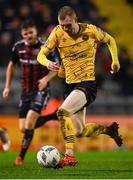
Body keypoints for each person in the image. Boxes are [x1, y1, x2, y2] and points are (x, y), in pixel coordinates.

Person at [37, 6, 122, 168]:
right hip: (70, 86)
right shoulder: (57, 32)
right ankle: (109, 131)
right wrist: (48, 63)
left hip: (87, 84)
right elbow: (41, 54)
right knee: (79, 131)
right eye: (62, 25)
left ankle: (69, 155)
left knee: (62, 112)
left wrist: (115, 61)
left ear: (75, 20)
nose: (65, 29)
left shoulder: (90, 31)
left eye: (68, 25)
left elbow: (110, 39)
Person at [2, 19, 58, 165]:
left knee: (31, 118)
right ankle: (53, 115)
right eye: (25, 33)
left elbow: (57, 67)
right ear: (22, 34)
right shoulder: (18, 47)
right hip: (25, 90)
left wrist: (46, 78)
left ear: (36, 31)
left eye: (31, 32)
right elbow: (11, 66)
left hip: (41, 89)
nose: (28, 35)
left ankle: (20, 157)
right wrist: (7, 87)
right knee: (23, 128)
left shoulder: (45, 47)